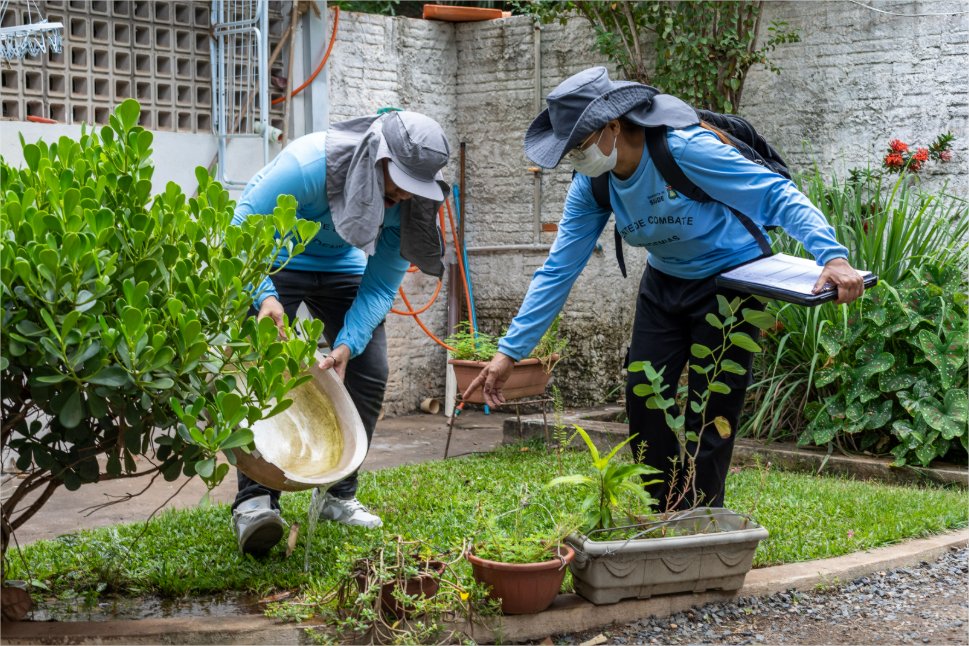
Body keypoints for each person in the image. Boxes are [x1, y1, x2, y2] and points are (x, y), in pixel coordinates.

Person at [464, 67, 864, 510]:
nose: (575, 158)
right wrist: (509, 353)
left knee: (712, 408)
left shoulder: (684, 149)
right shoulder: (593, 184)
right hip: (665, 282)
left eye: (579, 145)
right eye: (569, 150)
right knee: (644, 399)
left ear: (613, 126)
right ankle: (666, 510)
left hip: (730, 281)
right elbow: (559, 269)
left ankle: (703, 517)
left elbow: (774, 193)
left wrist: (833, 256)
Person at [231, 110, 450, 556]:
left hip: (342, 269)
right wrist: (264, 297)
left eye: (413, 187)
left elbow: (382, 283)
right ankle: (254, 502)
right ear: (378, 157)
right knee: (260, 364)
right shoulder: (308, 166)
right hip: (276, 261)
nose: (402, 195)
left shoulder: (407, 202)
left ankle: (338, 495)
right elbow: (242, 228)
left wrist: (350, 341)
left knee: (370, 367)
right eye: (398, 182)